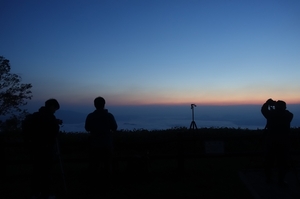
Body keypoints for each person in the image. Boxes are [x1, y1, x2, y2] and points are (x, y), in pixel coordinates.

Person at [24, 99, 61, 199]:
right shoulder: (50, 117)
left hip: (35, 148)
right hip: (47, 148)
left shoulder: (35, 116)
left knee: (36, 171)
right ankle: (47, 193)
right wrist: (56, 124)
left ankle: (35, 193)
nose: (54, 111)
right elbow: (54, 132)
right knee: (47, 171)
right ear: (52, 106)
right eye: (55, 109)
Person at [85, 96, 117, 191]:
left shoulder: (90, 116)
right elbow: (114, 127)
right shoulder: (109, 116)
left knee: (94, 166)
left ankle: (94, 185)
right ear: (104, 104)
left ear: (95, 105)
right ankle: (108, 185)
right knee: (108, 165)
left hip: (94, 145)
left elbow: (87, 128)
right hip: (107, 144)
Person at [261, 98, 293, 185]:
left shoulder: (271, 115)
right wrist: (276, 107)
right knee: (283, 162)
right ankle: (281, 180)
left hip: (271, 140)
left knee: (268, 161)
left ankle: (269, 179)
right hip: (284, 141)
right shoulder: (288, 115)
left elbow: (263, 110)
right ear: (285, 107)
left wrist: (267, 103)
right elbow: (284, 113)